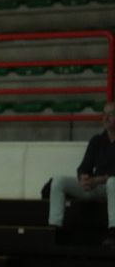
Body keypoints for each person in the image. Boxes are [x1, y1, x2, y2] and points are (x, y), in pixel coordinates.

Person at [48, 101, 115, 245]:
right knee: (59, 181)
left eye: (111, 114)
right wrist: (83, 178)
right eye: (104, 114)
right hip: (96, 187)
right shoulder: (97, 141)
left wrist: (98, 180)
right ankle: (55, 228)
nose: (106, 118)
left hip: (111, 186)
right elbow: (84, 167)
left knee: (112, 182)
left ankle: (113, 231)